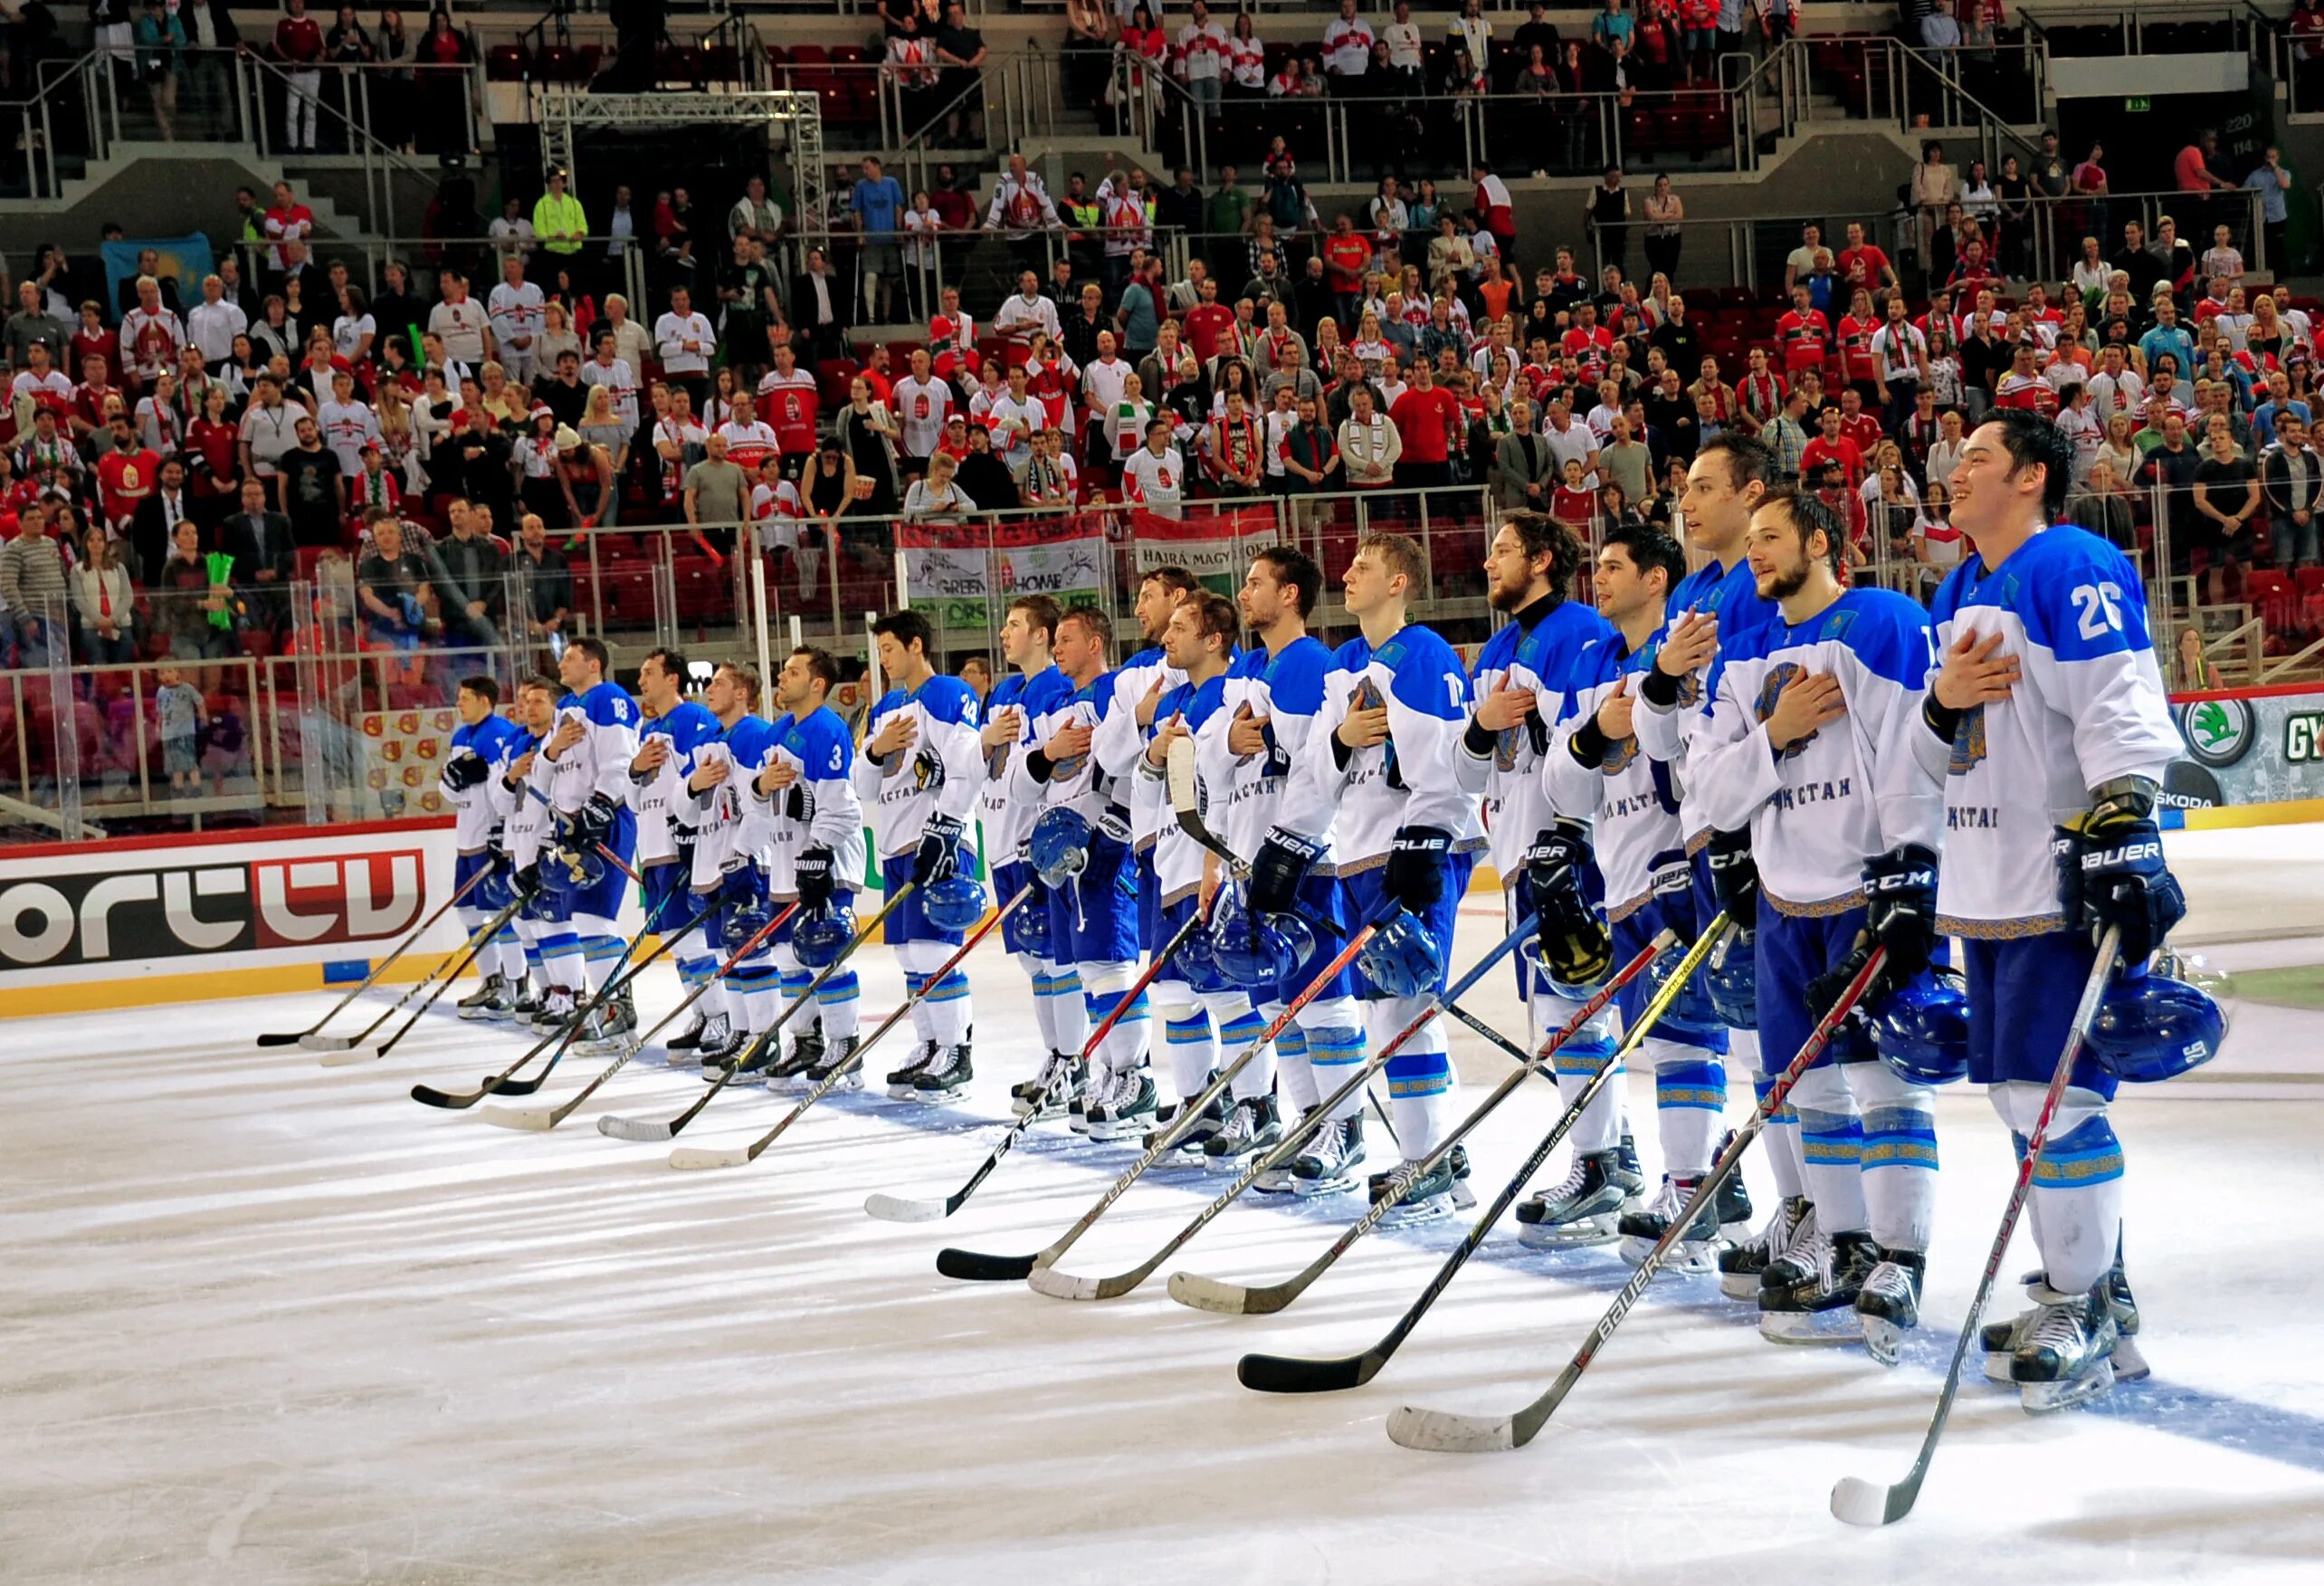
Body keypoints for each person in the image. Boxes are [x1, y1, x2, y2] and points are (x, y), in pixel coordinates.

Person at [1914, 408, 2190, 1409]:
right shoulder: (1957, 588)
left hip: (2053, 872)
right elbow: (1929, 746)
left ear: (2030, 476)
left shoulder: (2067, 559)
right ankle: (2086, 1283)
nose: (1956, 471)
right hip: (1982, 881)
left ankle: (2090, 1300)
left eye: (1977, 458)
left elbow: (2119, 693)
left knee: (2053, 1096)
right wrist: (1940, 702)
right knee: (2015, 1093)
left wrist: (2126, 816)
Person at [1676, 483, 1948, 1348]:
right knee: (1812, 1086)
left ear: (1822, 541)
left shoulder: (1883, 623)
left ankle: (1901, 1257)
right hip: (1785, 896)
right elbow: (1710, 788)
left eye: (1771, 537)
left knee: (1882, 1080)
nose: (1753, 553)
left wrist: (1910, 871)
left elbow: (1914, 756)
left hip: (1865, 888)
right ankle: (1843, 1242)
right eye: (1748, 541)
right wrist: (1776, 735)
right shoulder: (1748, 652)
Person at [1245, 533, 1474, 1216]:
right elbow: (1316, 763)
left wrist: (1426, 840)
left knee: (1404, 1008)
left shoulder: (1423, 652)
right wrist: (1290, 843)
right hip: (1359, 856)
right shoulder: (1345, 664)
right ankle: (1443, 1152)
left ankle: (1425, 1162)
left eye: (1365, 567)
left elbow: (1447, 763)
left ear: (1400, 583)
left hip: (1412, 852)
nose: (1348, 575)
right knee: (1390, 1010)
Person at [1450, 515, 1630, 1241]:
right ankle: (1609, 1161)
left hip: (1571, 853)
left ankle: (1611, 1166)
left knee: (1590, 1015)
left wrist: (1569, 838)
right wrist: (1483, 723)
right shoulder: (1495, 648)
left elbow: (1581, 754)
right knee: (1561, 1021)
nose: (1488, 562)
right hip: (1521, 857)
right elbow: (1468, 773)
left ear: (1544, 559)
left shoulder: (1580, 632)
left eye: (1503, 551)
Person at [853, 609, 986, 1094]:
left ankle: (956, 1051)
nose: (883, 658)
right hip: (895, 842)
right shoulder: (886, 706)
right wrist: (874, 749)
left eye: (889, 648)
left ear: (915, 646)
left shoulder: (949, 693)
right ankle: (930, 1043)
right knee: (909, 954)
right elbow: (862, 786)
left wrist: (946, 826)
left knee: (934, 949)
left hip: (938, 838)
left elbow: (967, 766)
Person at [749, 646, 872, 1088]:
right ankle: (804, 1041)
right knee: (786, 956)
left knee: (826, 951)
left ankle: (846, 1045)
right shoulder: (778, 731)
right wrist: (760, 786)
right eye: (782, 669)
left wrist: (819, 850)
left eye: (792, 671)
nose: (782, 677)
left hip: (825, 860)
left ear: (817, 684)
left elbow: (842, 805)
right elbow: (762, 803)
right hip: (785, 859)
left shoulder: (827, 729)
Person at [439, 674, 529, 1019]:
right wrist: (453, 777)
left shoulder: (501, 733)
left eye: (465, 697)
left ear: (484, 700)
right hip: (466, 839)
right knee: (470, 913)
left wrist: (502, 832)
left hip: (492, 838)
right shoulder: (461, 736)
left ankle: (516, 983)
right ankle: (491, 980)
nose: (459, 703)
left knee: (504, 913)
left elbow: (503, 790)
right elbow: (448, 791)